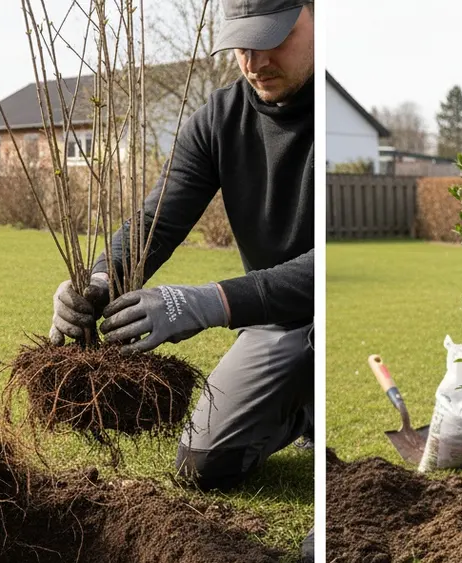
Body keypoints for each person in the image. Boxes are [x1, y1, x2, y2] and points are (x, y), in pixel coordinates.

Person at [50, 0, 315, 495]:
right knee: (203, 462)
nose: (255, 63)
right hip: (276, 321)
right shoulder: (220, 119)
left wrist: (207, 302)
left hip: (329, 315)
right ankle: (301, 410)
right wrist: (103, 279)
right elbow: (157, 219)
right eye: (242, 45)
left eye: (272, 38)